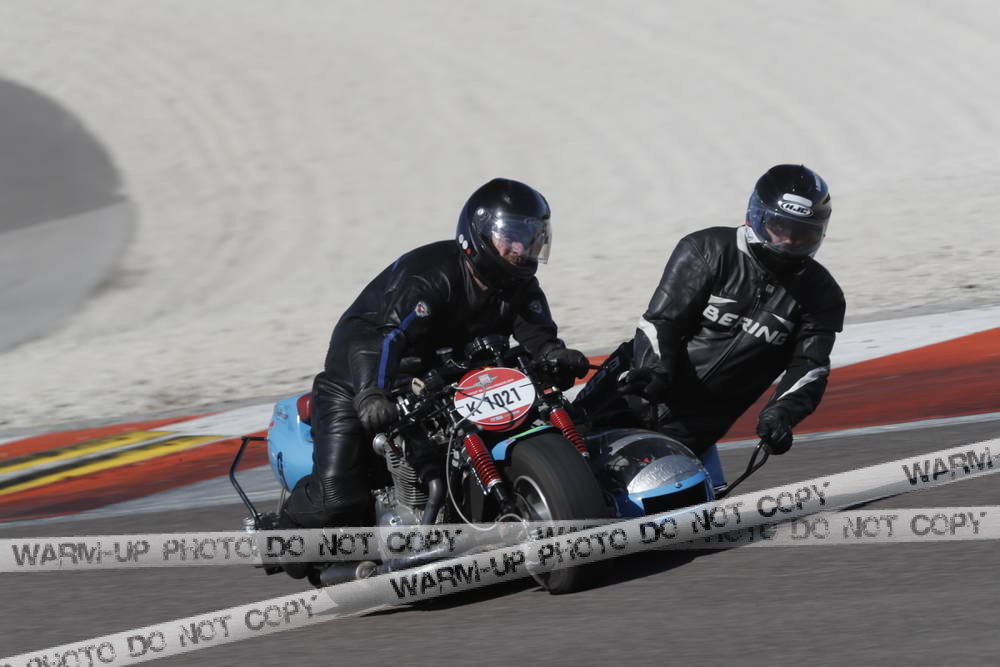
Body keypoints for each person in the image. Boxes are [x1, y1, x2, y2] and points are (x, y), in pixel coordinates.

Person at [280, 178, 590, 566]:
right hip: (361, 373)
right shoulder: (431, 278)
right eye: (511, 235)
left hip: (446, 372)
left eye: (530, 235)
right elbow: (386, 338)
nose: (520, 247)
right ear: (479, 234)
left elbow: (538, 337)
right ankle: (281, 535)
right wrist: (372, 393)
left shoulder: (519, 284)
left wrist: (556, 356)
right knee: (338, 497)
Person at [577, 164, 845, 459]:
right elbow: (662, 322)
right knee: (567, 451)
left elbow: (810, 366)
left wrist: (781, 413)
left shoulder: (823, 294)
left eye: (802, 233)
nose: (788, 242)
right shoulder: (706, 249)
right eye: (780, 227)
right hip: (631, 388)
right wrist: (653, 372)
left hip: (695, 428)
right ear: (756, 215)